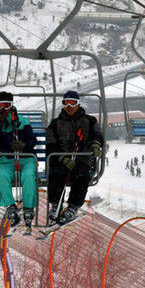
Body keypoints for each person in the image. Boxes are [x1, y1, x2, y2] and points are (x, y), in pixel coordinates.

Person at [46, 91, 104, 225]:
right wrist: (62, 158)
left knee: (81, 174)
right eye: (66, 103)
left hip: (82, 159)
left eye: (73, 103)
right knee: (57, 172)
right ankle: (55, 205)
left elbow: (98, 134)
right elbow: (50, 143)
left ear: (78, 104)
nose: (69, 106)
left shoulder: (89, 121)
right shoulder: (56, 123)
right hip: (61, 159)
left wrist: (96, 144)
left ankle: (73, 207)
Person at [0, 91, 39, 229]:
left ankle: (28, 207)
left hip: (26, 159)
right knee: (1, 177)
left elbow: (32, 140)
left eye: (6, 105)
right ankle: (11, 206)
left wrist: (24, 145)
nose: (3, 109)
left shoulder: (22, 121)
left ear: (11, 105)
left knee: (28, 176)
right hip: (7, 160)